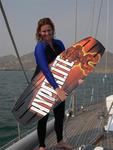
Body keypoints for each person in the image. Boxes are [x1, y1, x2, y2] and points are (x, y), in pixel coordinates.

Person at [32, 18, 73, 150]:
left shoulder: (59, 44)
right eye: (44, 31)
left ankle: (60, 142)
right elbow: (44, 68)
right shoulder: (39, 47)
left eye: (49, 30)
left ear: (53, 30)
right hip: (42, 84)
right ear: (39, 32)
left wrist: (75, 79)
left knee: (59, 115)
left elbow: (66, 63)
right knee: (43, 116)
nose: (47, 33)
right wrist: (56, 88)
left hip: (58, 82)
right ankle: (42, 146)